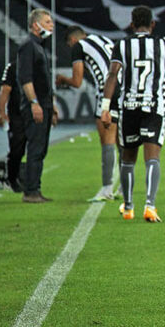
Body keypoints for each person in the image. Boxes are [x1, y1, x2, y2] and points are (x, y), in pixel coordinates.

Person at [101, 6, 165, 223]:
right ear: (153, 24)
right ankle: (150, 206)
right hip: (153, 106)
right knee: (152, 158)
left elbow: (112, 75)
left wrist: (106, 108)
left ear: (132, 25)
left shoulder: (122, 45)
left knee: (128, 159)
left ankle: (128, 207)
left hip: (129, 107)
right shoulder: (163, 44)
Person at [56, 26, 120, 202]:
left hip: (107, 91)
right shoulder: (104, 39)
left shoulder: (79, 46)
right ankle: (124, 186)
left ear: (73, 40)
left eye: (70, 45)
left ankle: (107, 189)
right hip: (125, 88)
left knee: (107, 140)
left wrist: (63, 79)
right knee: (122, 140)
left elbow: (77, 81)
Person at [17, 8, 58, 203]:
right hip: (36, 105)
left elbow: (44, 80)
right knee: (35, 147)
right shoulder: (28, 46)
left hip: (44, 104)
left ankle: (35, 188)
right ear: (36, 25)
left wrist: (52, 105)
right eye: (48, 22)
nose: (51, 26)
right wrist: (34, 103)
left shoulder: (39, 46)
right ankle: (31, 191)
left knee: (40, 148)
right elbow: (25, 78)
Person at [0, 62, 26, 192]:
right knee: (17, 149)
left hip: (33, 115)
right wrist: (2, 113)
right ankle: (12, 178)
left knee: (35, 149)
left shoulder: (38, 64)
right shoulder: (12, 67)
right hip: (17, 116)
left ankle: (31, 180)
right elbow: (5, 90)